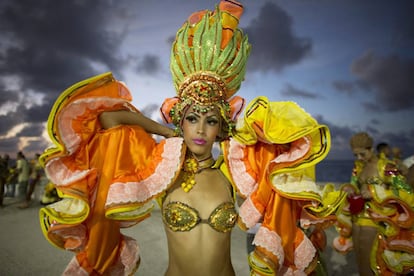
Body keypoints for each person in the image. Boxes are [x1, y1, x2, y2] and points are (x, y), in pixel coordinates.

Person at [38, 1, 345, 275]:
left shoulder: (232, 174)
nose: (200, 130)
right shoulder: (162, 171)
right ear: (180, 122)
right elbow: (107, 119)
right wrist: (163, 131)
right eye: (192, 119)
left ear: (220, 127)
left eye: (211, 121)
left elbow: (285, 149)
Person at [333, 132, 413, 275]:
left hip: (375, 220)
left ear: (371, 149)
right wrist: (350, 188)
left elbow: (404, 190)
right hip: (357, 217)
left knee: (371, 263)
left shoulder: (386, 167)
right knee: (359, 259)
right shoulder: (358, 167)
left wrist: (375, 192)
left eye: (362, 154)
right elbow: (355, 185)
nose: (359, 158)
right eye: (356, 155)